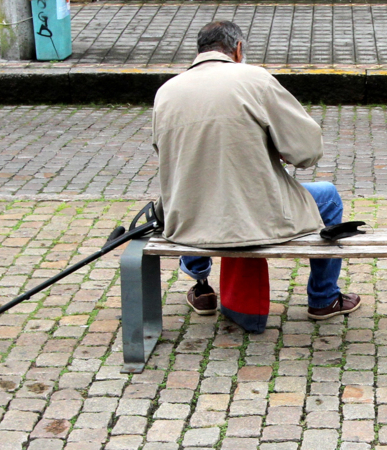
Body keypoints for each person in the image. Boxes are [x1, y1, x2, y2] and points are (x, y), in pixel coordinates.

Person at [152, 20, 361, 323]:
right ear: (237, 49)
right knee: (328, 196)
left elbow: (167, 155)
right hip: (251, 215)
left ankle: (200, 286)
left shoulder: (166, 92)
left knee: (193, 193)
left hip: (188, 218)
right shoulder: (255, 79)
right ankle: (324, 298)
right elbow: (307, 152)